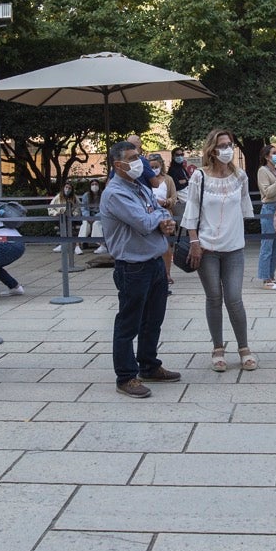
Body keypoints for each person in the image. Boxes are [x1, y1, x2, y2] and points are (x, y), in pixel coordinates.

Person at [101, 140, 182, 397]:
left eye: (139, 156)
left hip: (155, 261)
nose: (140, 162)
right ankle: (126, 376)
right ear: (118, 164)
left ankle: (149, 364)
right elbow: (144, 221)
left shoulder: (140, 186)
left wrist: (166, 221)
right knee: (129, 322)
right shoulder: (115, 192)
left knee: (153, 319)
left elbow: (159, 212)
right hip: (133, 266)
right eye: (133, 158)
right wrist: (160, 219)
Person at [182, 129, 258, 372]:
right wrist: (194, 241)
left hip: (234, 248)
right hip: (206, 249)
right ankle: (218, 348)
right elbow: (191, 209)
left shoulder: (240, 177)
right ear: (212, 150)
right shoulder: (199, 177)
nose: (228, 149)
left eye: (230, 144)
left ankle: (244, 347)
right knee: (214, 297)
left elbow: (244, 208)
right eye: (223, 145)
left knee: (234, 298)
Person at [257, 142, 276, 289]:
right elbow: (267, 193)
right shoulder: (262, 171)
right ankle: (265, 279)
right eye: (274, 153)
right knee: (267, 245)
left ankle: (272, 276)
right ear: (266, 156)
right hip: (269, 208)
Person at [147, 153, 179, 278]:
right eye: (152, 167)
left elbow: (174, 197)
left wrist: (165, 202)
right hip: (149, 216)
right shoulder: (145, 180)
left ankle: (167, 273)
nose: (154, 169)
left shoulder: (168, 179)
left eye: (156, 166)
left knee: (165, 245)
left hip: (165, 215)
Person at [49, 183, 80, 253]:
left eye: (69, 188)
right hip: (60, 217)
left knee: (69, 223)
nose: (67, 189)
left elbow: (78, 208)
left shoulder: (75, 198)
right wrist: (55, 213)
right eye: (66, 187)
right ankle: (64, 243)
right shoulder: (58, 197)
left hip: (72, 218)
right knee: (63, 221)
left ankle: (65, 243)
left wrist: (74, 214)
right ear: (63, 188)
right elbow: (51, 207)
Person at [77, 179, 106, 254]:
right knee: (85, 224)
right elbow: (84, 208)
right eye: (92, 184)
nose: (94, 186)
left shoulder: (103, 195)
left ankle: (102, 245)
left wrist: (95, 217)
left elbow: (104, 209)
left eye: (96, 184)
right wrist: (88, 217)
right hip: (88, 217)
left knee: (97, 224)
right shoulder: (86, 196)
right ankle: (78, 245)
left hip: (100, 216)